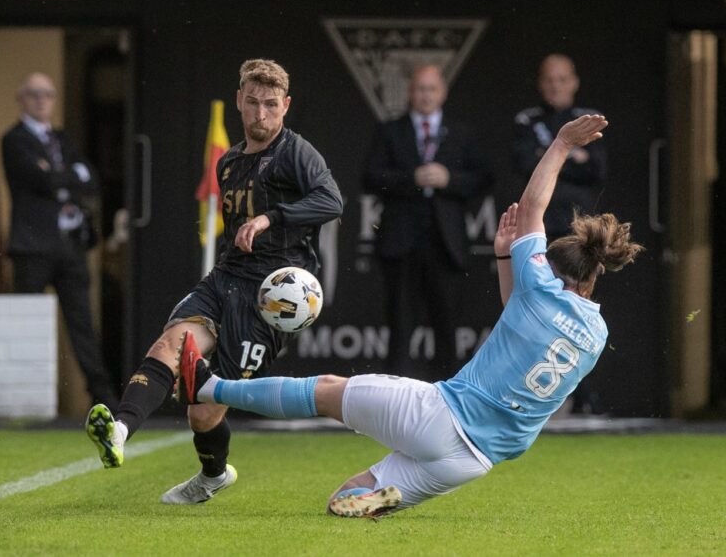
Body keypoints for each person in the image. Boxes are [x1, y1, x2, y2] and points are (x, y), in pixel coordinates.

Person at [175, 115, 643, 517]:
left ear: (551, 272)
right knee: (343, 497)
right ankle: (376, 496)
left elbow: (533, 211)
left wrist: (560, 143)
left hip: (440, 417)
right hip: (475, 461)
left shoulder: (540, 289)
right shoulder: (597, 332)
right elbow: (516, 316)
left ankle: (211, 386)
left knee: (326, 391)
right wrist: (505, 260)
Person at [85, 59, 343, 504]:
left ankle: (213, 476)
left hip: (272, 298)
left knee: (202, 412)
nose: (261, 115)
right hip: (226, 277)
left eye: (271, 105)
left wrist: (270, 217)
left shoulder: (296, 152)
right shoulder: (228, 164)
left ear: (285, 106)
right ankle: (120, 431)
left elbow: (331, 200)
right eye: (253, 103)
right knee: (167, 346)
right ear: (240, 100)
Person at [364, 64, 492, 381]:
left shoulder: (462, 133)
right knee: (400, 324)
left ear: (443, 92)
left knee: (446, 325)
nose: (426, 95)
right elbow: (370, 177)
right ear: (410, 92)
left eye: (431, 89)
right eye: (420, 88)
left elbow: (484, 178)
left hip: (446, 244)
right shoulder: (390, 130)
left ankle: (448, 395)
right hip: (400, 242)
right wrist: (412, 179)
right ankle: (393, 398)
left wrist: (449, 179)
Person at [2, 72, 119, 408]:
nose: (41, 100)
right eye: (34, 93)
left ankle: (104, 397)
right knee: (25, 324)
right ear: (21, 99)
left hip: (69, 246)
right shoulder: (14, 140)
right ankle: (23, 397)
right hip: (32, 246)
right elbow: (38, 178)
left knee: (82, 323)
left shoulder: (61, 139)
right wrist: (67, 177)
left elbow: (91, 179)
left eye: (47, 94)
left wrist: (58, 178)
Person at [513, 54, 607, 241]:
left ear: (574, 82)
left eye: (562, 80)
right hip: (539, 224)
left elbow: (596, 169)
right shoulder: (527, 119)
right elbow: (524, 164)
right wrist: (573, 156)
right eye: (549, 80)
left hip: (581, 224)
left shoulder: (589, 119)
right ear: (540, 83)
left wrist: (548, 158)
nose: (556, 87)